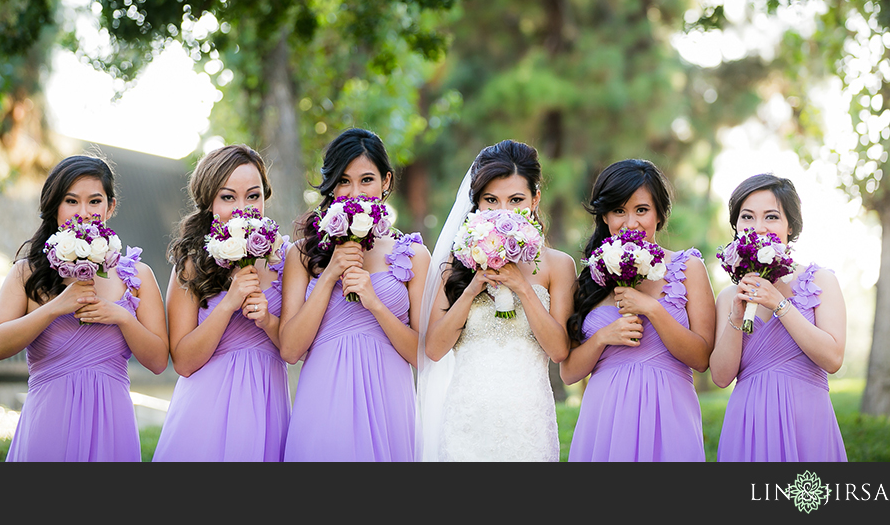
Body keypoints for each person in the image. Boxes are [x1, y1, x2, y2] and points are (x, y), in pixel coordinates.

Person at [0, 155, 168, 462]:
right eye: (71, 201)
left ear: (109, 207)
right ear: (55, 207)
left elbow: (159, 361)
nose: (83, 213)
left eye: (94, 201)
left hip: (112, 423)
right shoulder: (26, 273)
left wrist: (121, 316)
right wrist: (54, 307)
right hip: (48, 424)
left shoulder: (138, 276)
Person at [419, 140, 576, 461]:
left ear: (536, 199)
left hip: (528, 422)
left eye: (516, 200)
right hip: (467, 420)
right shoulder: (455, 262)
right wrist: (473, 286)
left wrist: (522, 287)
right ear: (476, 204)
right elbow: (434, 349)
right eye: (491, 200)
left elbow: (559, 351)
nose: (504, 212)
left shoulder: (558, 265)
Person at [279, 128, 430, 461]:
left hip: (389, 398)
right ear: (330, 185)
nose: (355, 192)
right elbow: (290, 349)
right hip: (324, 397)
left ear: (386, 181)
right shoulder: (302, 254)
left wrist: (374, 302)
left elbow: (422, 356)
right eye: (344, 181)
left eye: (366, 180)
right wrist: (331, 271)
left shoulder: (414, 255)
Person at [561, 158, 715, 461]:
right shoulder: (589, 277)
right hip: (605, 414)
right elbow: (569, 373)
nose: (630, 223)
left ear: (659, 213)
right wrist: (604, 336)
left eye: (641, 210)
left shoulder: (689, 268)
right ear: (604, 216)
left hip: (670, 412)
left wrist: (653, 310)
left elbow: (701, 359)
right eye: (619, 210)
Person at [152, 144, 291, 461]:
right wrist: (229, 303)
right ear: (209, 202)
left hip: (268, 404)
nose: (243, 207)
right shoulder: (191, 264)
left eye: (253, 196)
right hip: (206, 410)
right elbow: (184, 363)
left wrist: (268, 320)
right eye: (228, 197)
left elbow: (296, 350)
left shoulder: (287, 259)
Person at [711, 173, 847, 461]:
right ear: (736, 226)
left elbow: (833, 359)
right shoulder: (727, 297)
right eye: (747, 217)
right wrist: (737, 313)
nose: (758, 228)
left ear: (790, 226)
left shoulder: (820, 280)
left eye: (771, 217)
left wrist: (780, 304)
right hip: (747, 425)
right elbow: (721, 377)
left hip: (807, 422)